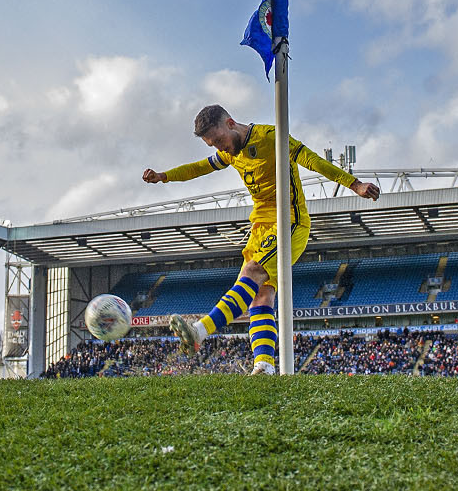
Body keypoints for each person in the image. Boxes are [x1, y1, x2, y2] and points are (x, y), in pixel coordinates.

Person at [142, 104, 380, 374]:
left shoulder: (270, 138)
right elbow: (200, 168)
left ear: (230, 123)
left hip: (289, 220)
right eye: (213, 145)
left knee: (253, 273)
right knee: (260, 296)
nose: (219, 149)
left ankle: (200, 330)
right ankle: (264, 366)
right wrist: (165, 177)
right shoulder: (230, 153)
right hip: (260, 227)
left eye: (219, 141)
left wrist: (355, 184)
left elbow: (313, 160)